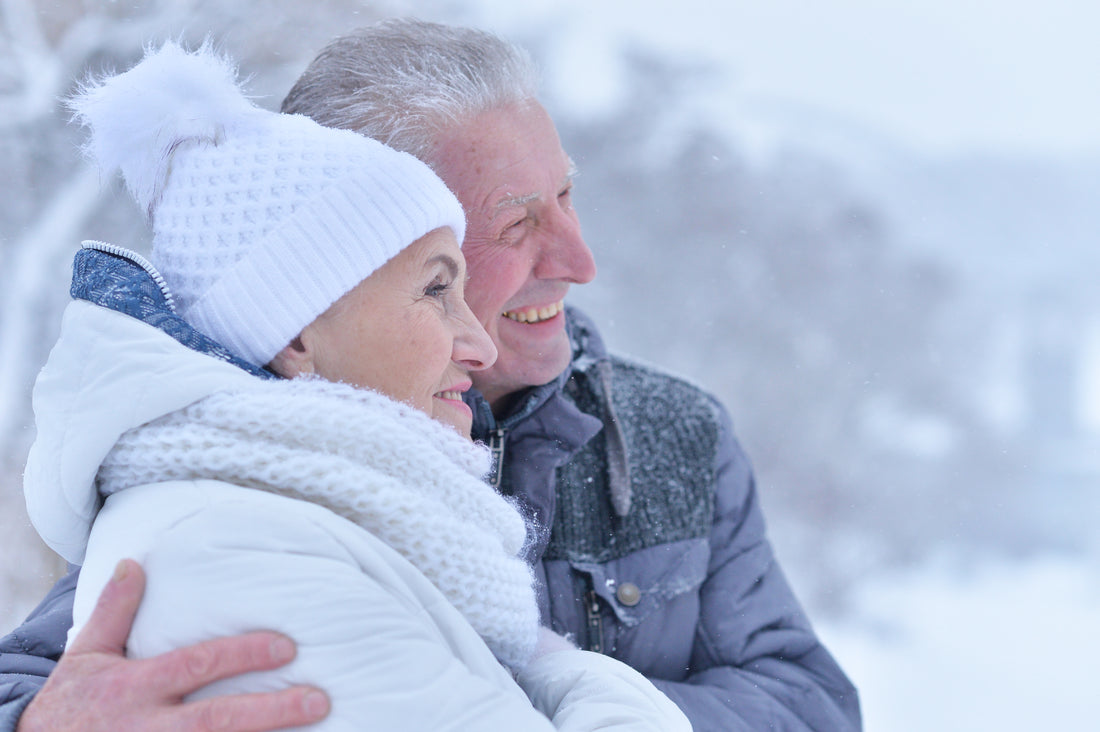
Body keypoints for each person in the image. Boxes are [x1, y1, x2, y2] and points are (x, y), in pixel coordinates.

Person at [2, 18, 861, 732]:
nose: (578, 259)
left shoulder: (669, 429)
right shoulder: (246, 458)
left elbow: (809, 701)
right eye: (513, 222)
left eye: (565, 197)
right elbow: (58, 669)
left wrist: (515, 695)